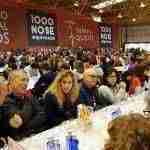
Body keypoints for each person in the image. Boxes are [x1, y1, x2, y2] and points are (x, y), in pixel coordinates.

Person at [0, 70, 46, 140]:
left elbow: (42, 114)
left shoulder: (29, 97)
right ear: (12, 82)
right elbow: (17, 122)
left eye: (27, 80)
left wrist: (26, 126)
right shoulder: (5, 100)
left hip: (34, 136)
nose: (26, 83)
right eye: (23, 80)